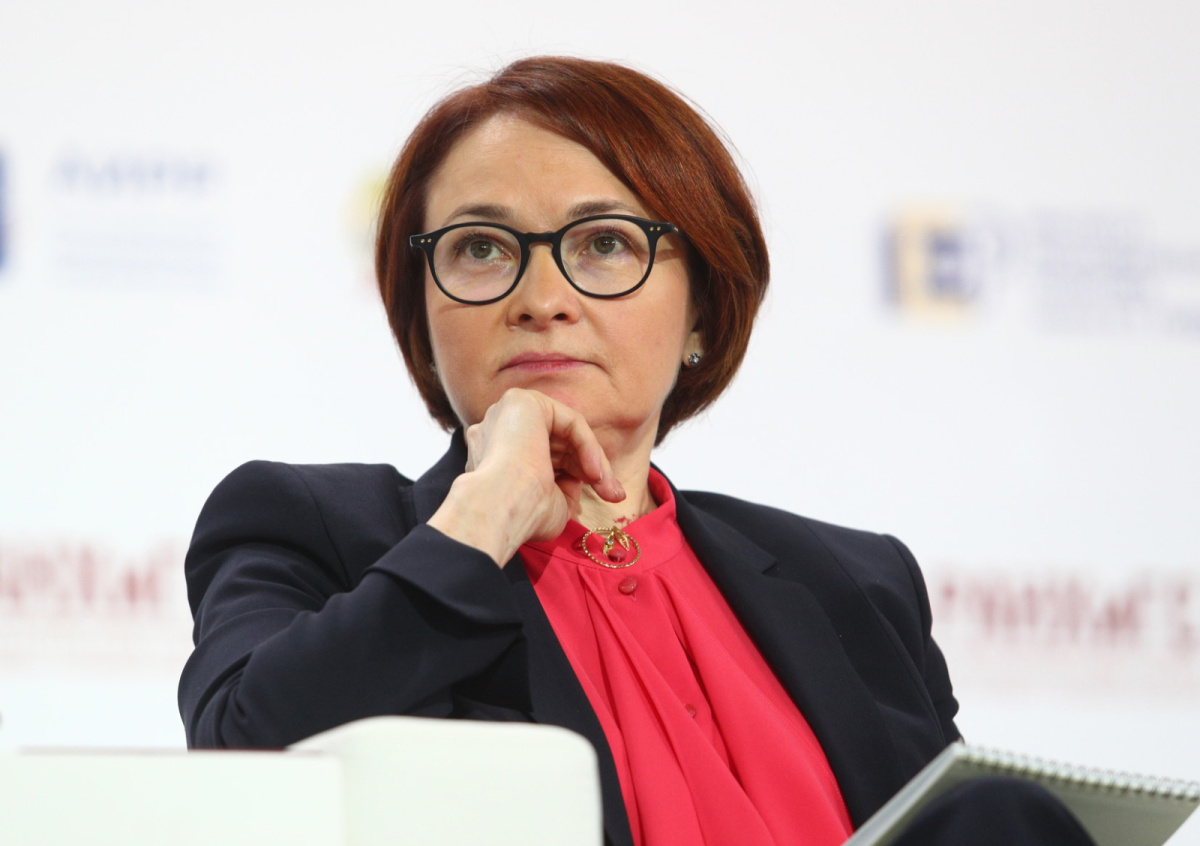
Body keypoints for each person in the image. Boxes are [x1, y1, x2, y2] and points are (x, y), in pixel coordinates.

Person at [179, 57, 1093, 846]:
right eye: (481, 248)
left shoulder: (857, 583)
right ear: (422, 315)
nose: (542, 298)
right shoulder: (314, 531)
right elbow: (244, 766)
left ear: (702, 311)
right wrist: (481, 519)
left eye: (606, 244)